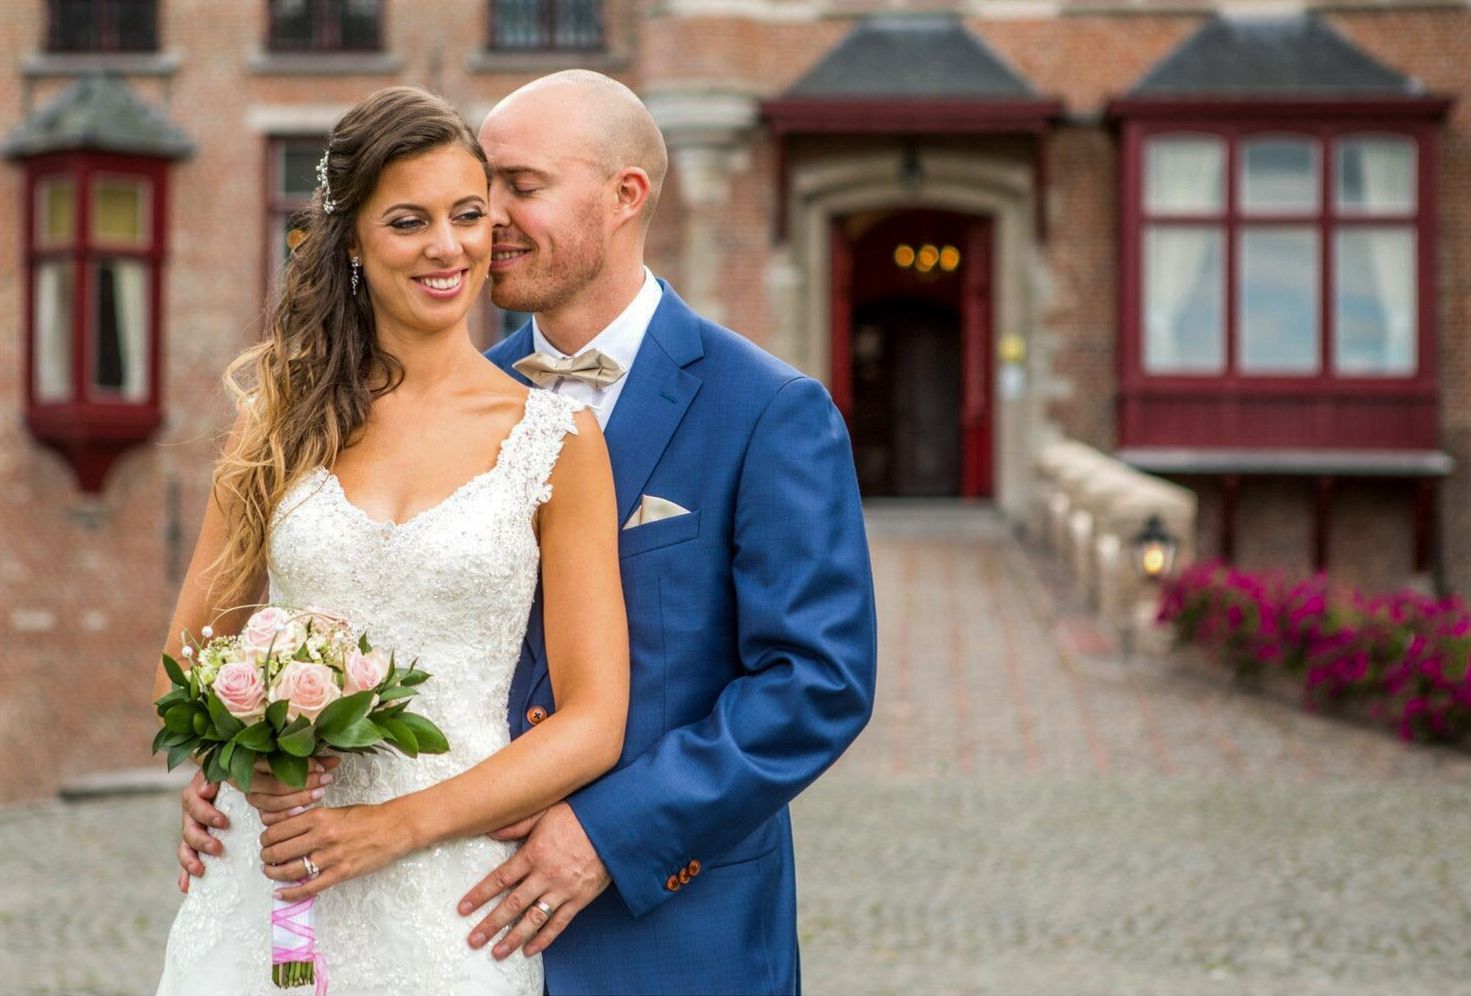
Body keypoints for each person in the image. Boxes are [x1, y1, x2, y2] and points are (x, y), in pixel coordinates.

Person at [179, 69, 879, 994]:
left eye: (518, 186)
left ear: (625, 195)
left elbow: (817, 683)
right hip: (432, 902)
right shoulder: (445, 388)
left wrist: (611, 833)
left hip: (668, 927)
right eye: (483, 189)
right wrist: (240, 750)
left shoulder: (766, 408)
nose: (487, 222)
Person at [154, 85, 629, 996]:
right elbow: (184, 664)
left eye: (468, 215)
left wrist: (393, 828)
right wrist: (240, 766)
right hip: (275, 870)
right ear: (353, 244)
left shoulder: (556, 439)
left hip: (449, 891)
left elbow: (594, 721)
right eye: (409, 221)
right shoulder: (278, 421)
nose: (447, 247)